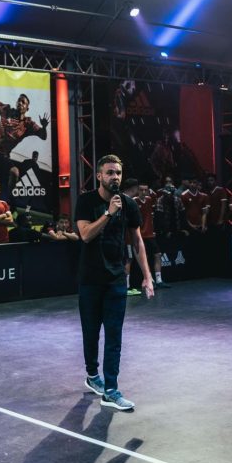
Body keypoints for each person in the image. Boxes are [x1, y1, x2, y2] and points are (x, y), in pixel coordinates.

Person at [75, 154, 154, 411]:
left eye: (118, 173)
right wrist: (109, 214)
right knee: (90, 332)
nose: (115, 177)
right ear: (99, 175)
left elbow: (137, 241)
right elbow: (85, 235)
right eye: (110, 173)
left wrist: (147, 276)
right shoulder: (86, 201)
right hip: (90, 279)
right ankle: (92, 375)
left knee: (113, 335)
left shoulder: (129, 204)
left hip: (116, 279)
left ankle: (110, 390)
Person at [0, 94, 49, 197]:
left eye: (23, 102)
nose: (20, 103)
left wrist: (44, 127)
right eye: (19, 100)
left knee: (13, 173)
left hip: (5, 156)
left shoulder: (27, 124)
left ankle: (10, 199)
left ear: (27, 108)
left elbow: (43, 136)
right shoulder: (7, 111)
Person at [136, 182, 167, 288]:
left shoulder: (149, 199)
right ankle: (150, 280)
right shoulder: (134, 201)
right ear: (137, 190)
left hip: (150, 235)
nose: (143, 192)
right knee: (144, 259)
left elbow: (159, 194)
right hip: (139, 236)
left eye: (146, 190)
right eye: (141, 190)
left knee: (157, 255)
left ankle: (159, 280)